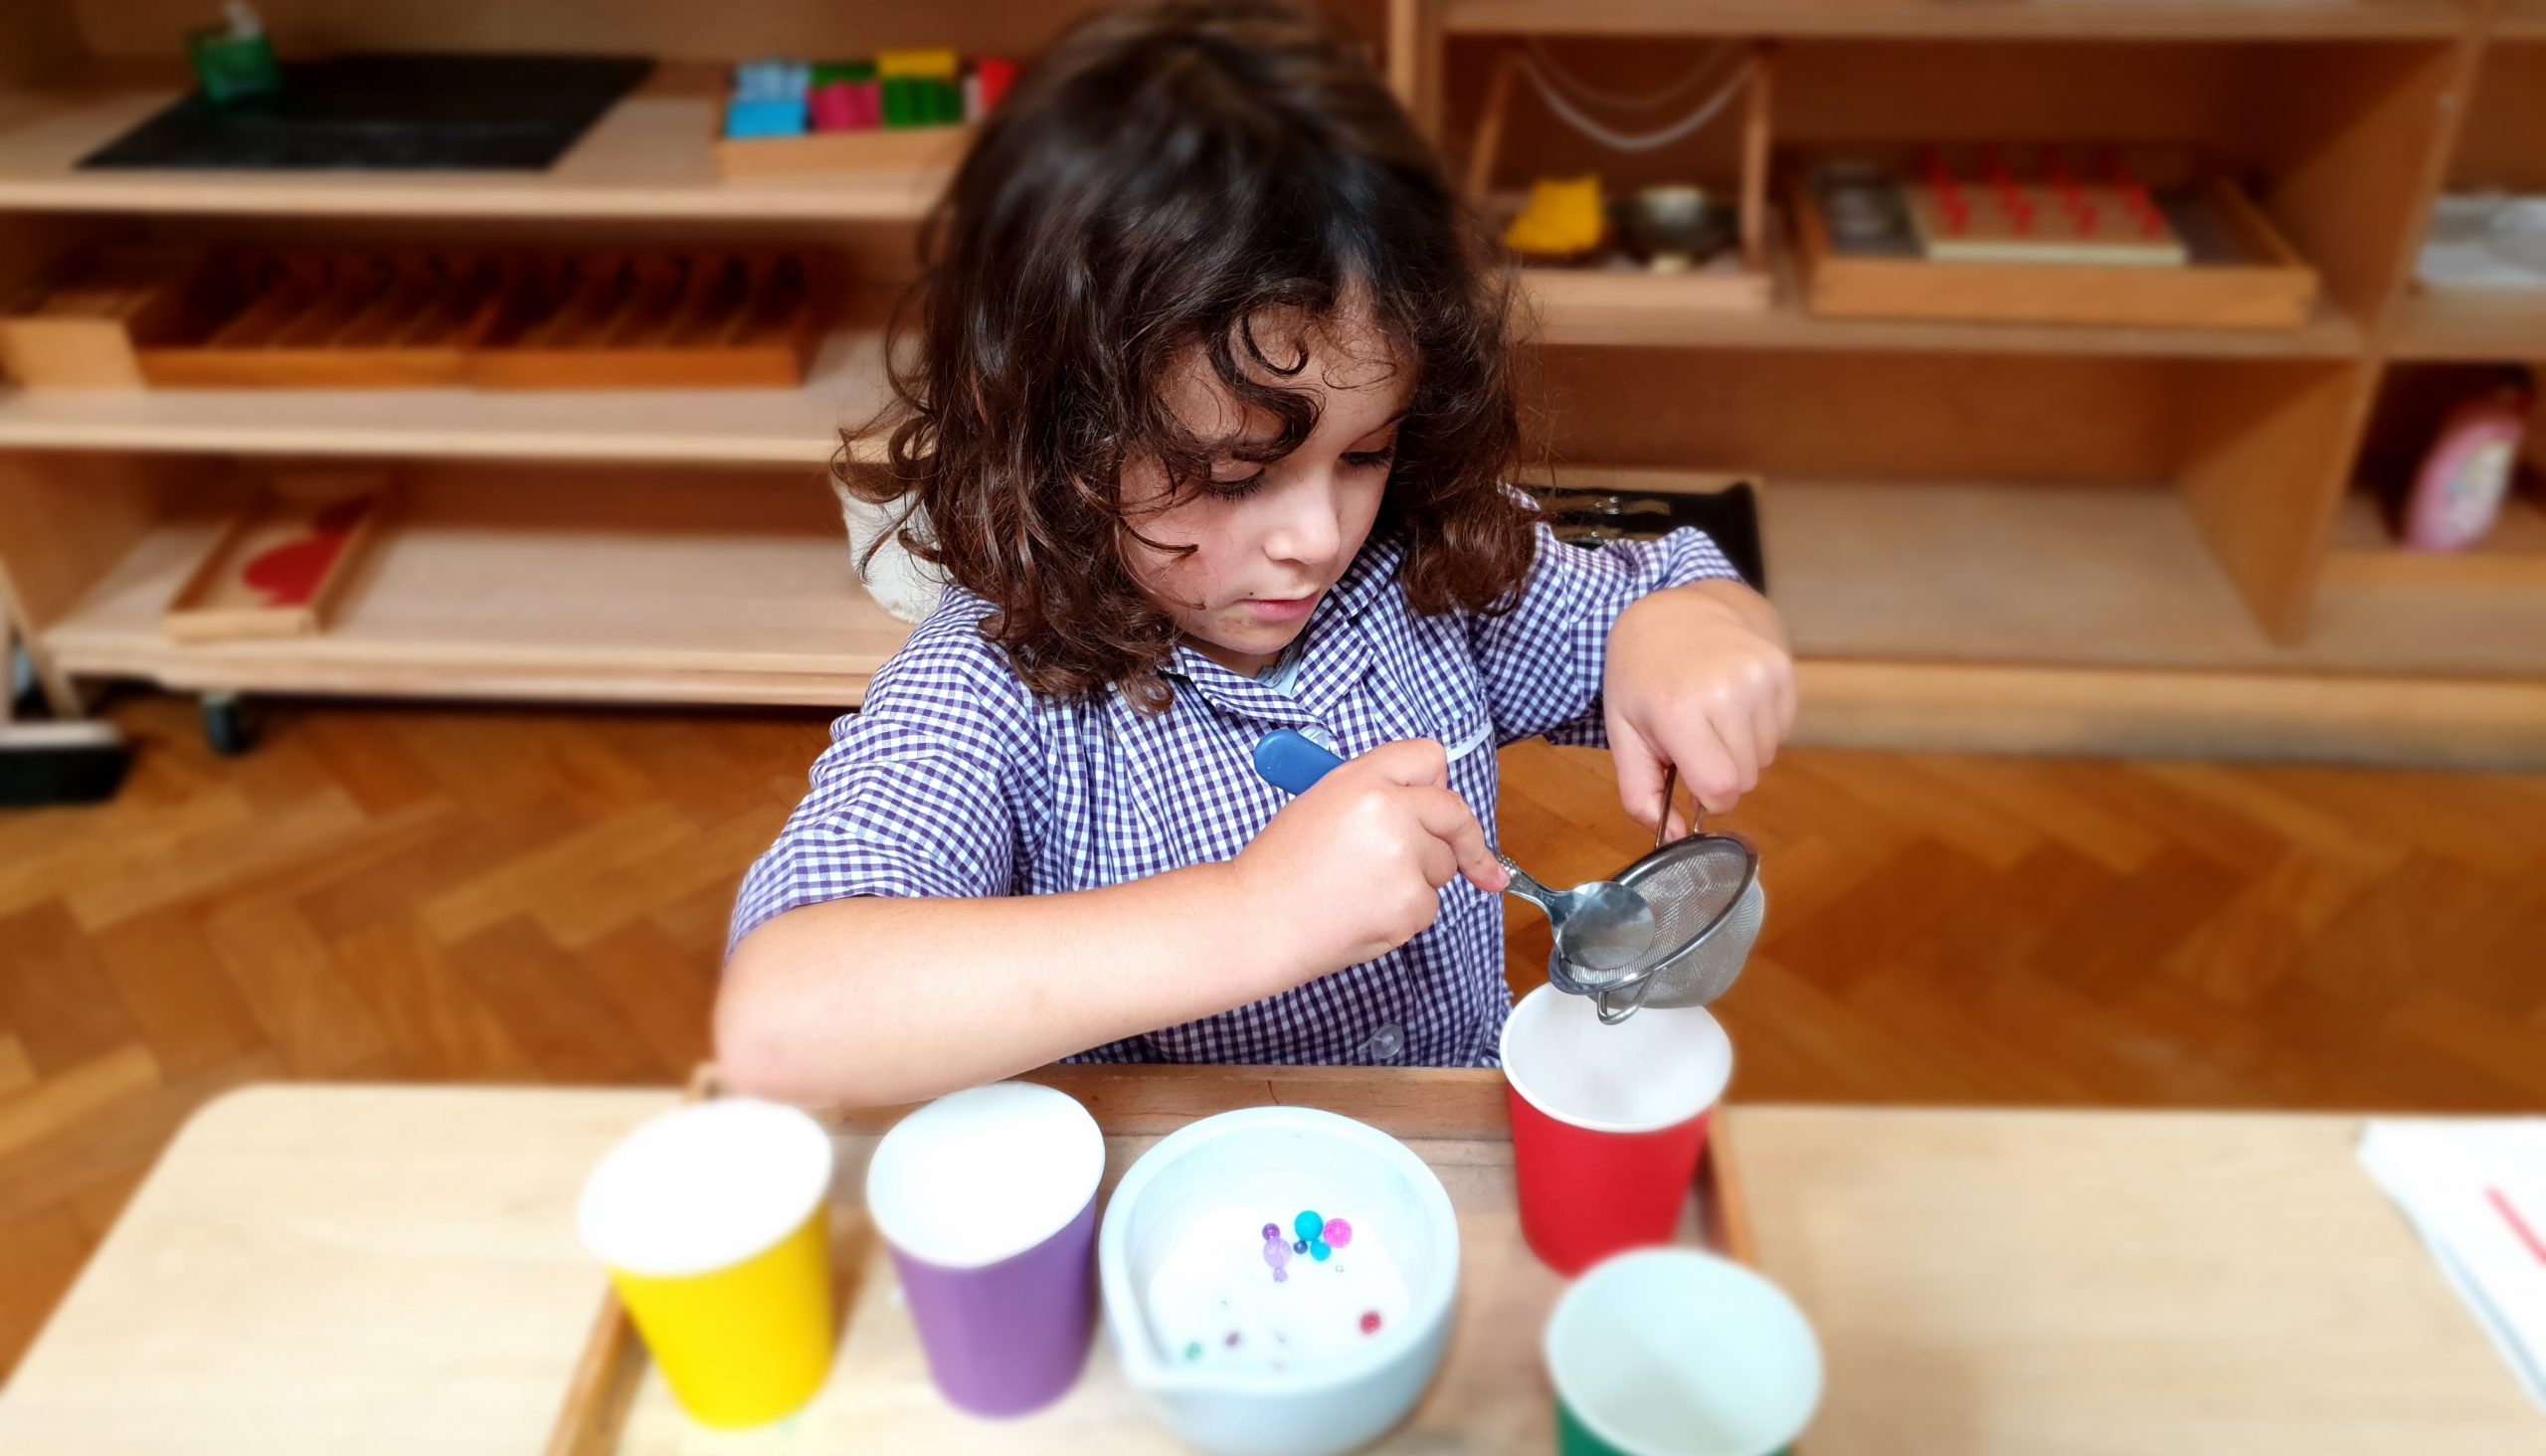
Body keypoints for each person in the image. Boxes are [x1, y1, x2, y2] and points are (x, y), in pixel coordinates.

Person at [717, 0, 1792, 1106]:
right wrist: (1253, 912)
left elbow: (1672, 587)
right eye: (1234, 477)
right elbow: (782, 1019)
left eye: (1365, 453)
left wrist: (1696, 628)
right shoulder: (995, 682)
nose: (1318, 537)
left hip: (1438, 1169)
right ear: (1061, 445)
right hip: (1185, 1219)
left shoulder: (1423, 574)